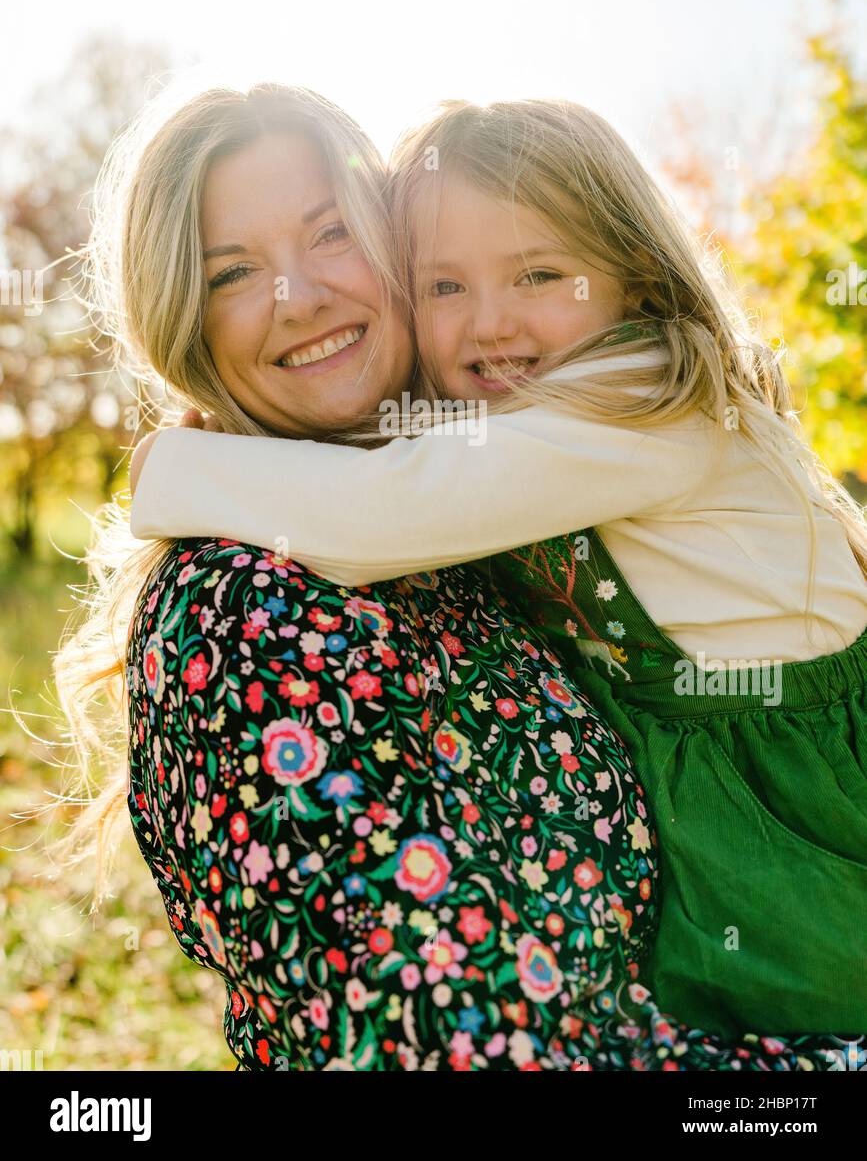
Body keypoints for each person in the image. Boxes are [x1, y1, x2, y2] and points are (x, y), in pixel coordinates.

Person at [130, 98, 867, 1042]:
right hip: (718, 790)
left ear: (637, 281)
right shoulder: (257, 607)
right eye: (441, 286)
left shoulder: (644, 398)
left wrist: (177, 467)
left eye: (539, 274)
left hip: (790, 789)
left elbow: (391, 504)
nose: (488, 324)